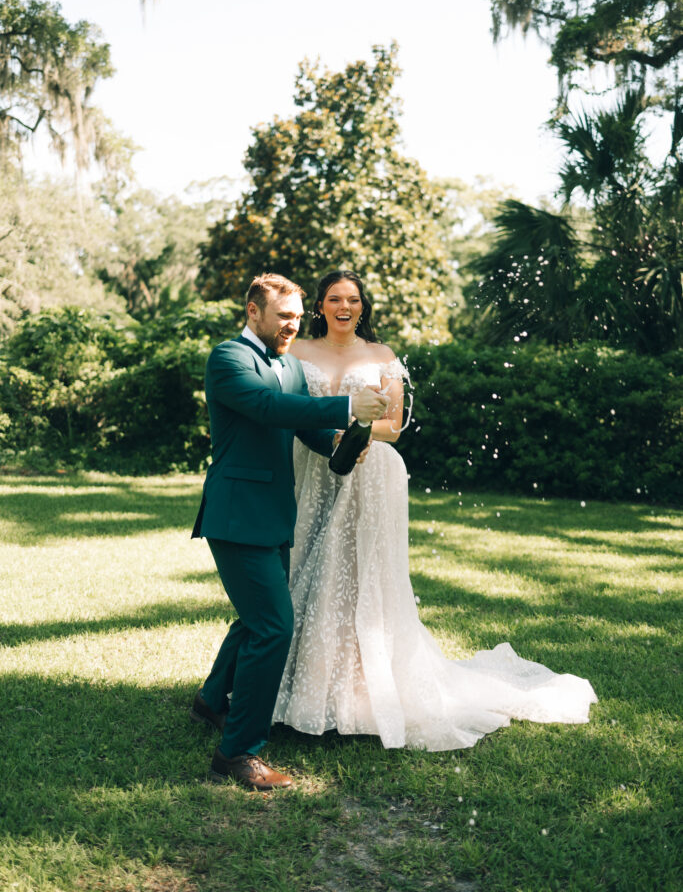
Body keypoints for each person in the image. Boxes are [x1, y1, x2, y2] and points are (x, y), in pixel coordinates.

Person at [273, 269, 597, 750]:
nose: (345, 307)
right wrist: (331, 429)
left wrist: (350, 430)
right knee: (305, 566)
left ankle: (359, 695)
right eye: (336, 299)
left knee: (358, 574)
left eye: (355, 300)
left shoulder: (381, 356)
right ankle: (296, 688)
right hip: (311, 468)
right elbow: (286, 408)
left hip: (371, 472)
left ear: (364, 307)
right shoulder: (297, 352)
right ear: (319, 305)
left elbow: (394, 425)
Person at [190, 273, 389, 789]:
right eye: (283, 316)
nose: (292, 325)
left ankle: (211, 700)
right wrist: (346, 404)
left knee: (259, 617)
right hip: (235, 516)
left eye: (298, 317)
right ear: (253, 311)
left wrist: (349, 441)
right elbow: (268, 409)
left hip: (277, 514)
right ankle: (237, 754)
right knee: (274, 624)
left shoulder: (293, 367)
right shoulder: (229, 359)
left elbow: (310, 430)